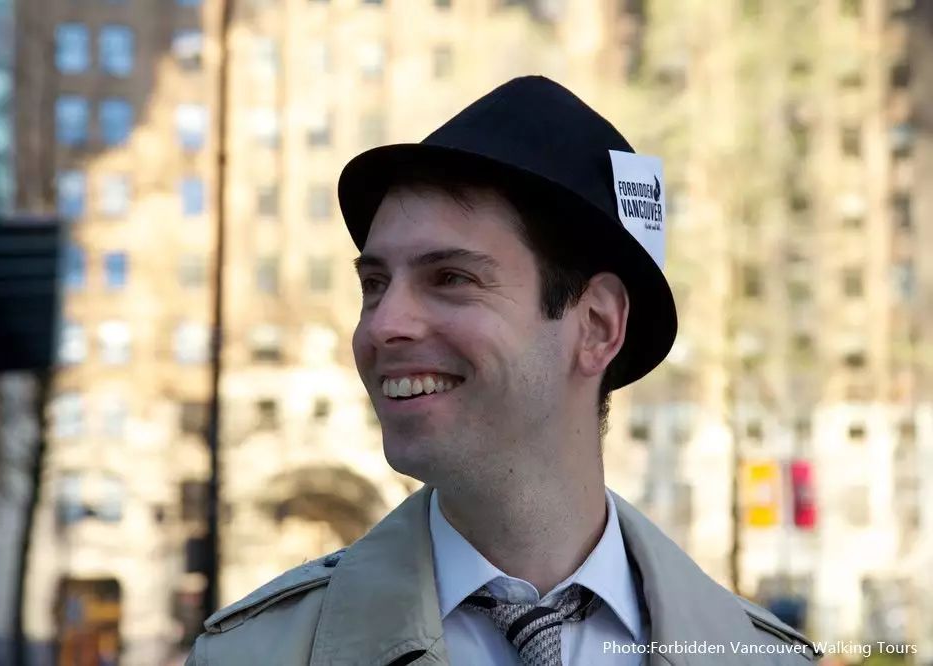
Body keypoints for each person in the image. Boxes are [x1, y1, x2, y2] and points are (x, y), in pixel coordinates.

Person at [186, 76, 818, 665]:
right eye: (374, 284)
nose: (382, 326)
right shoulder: (250, 654)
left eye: (450, 278)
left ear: (596, 326)